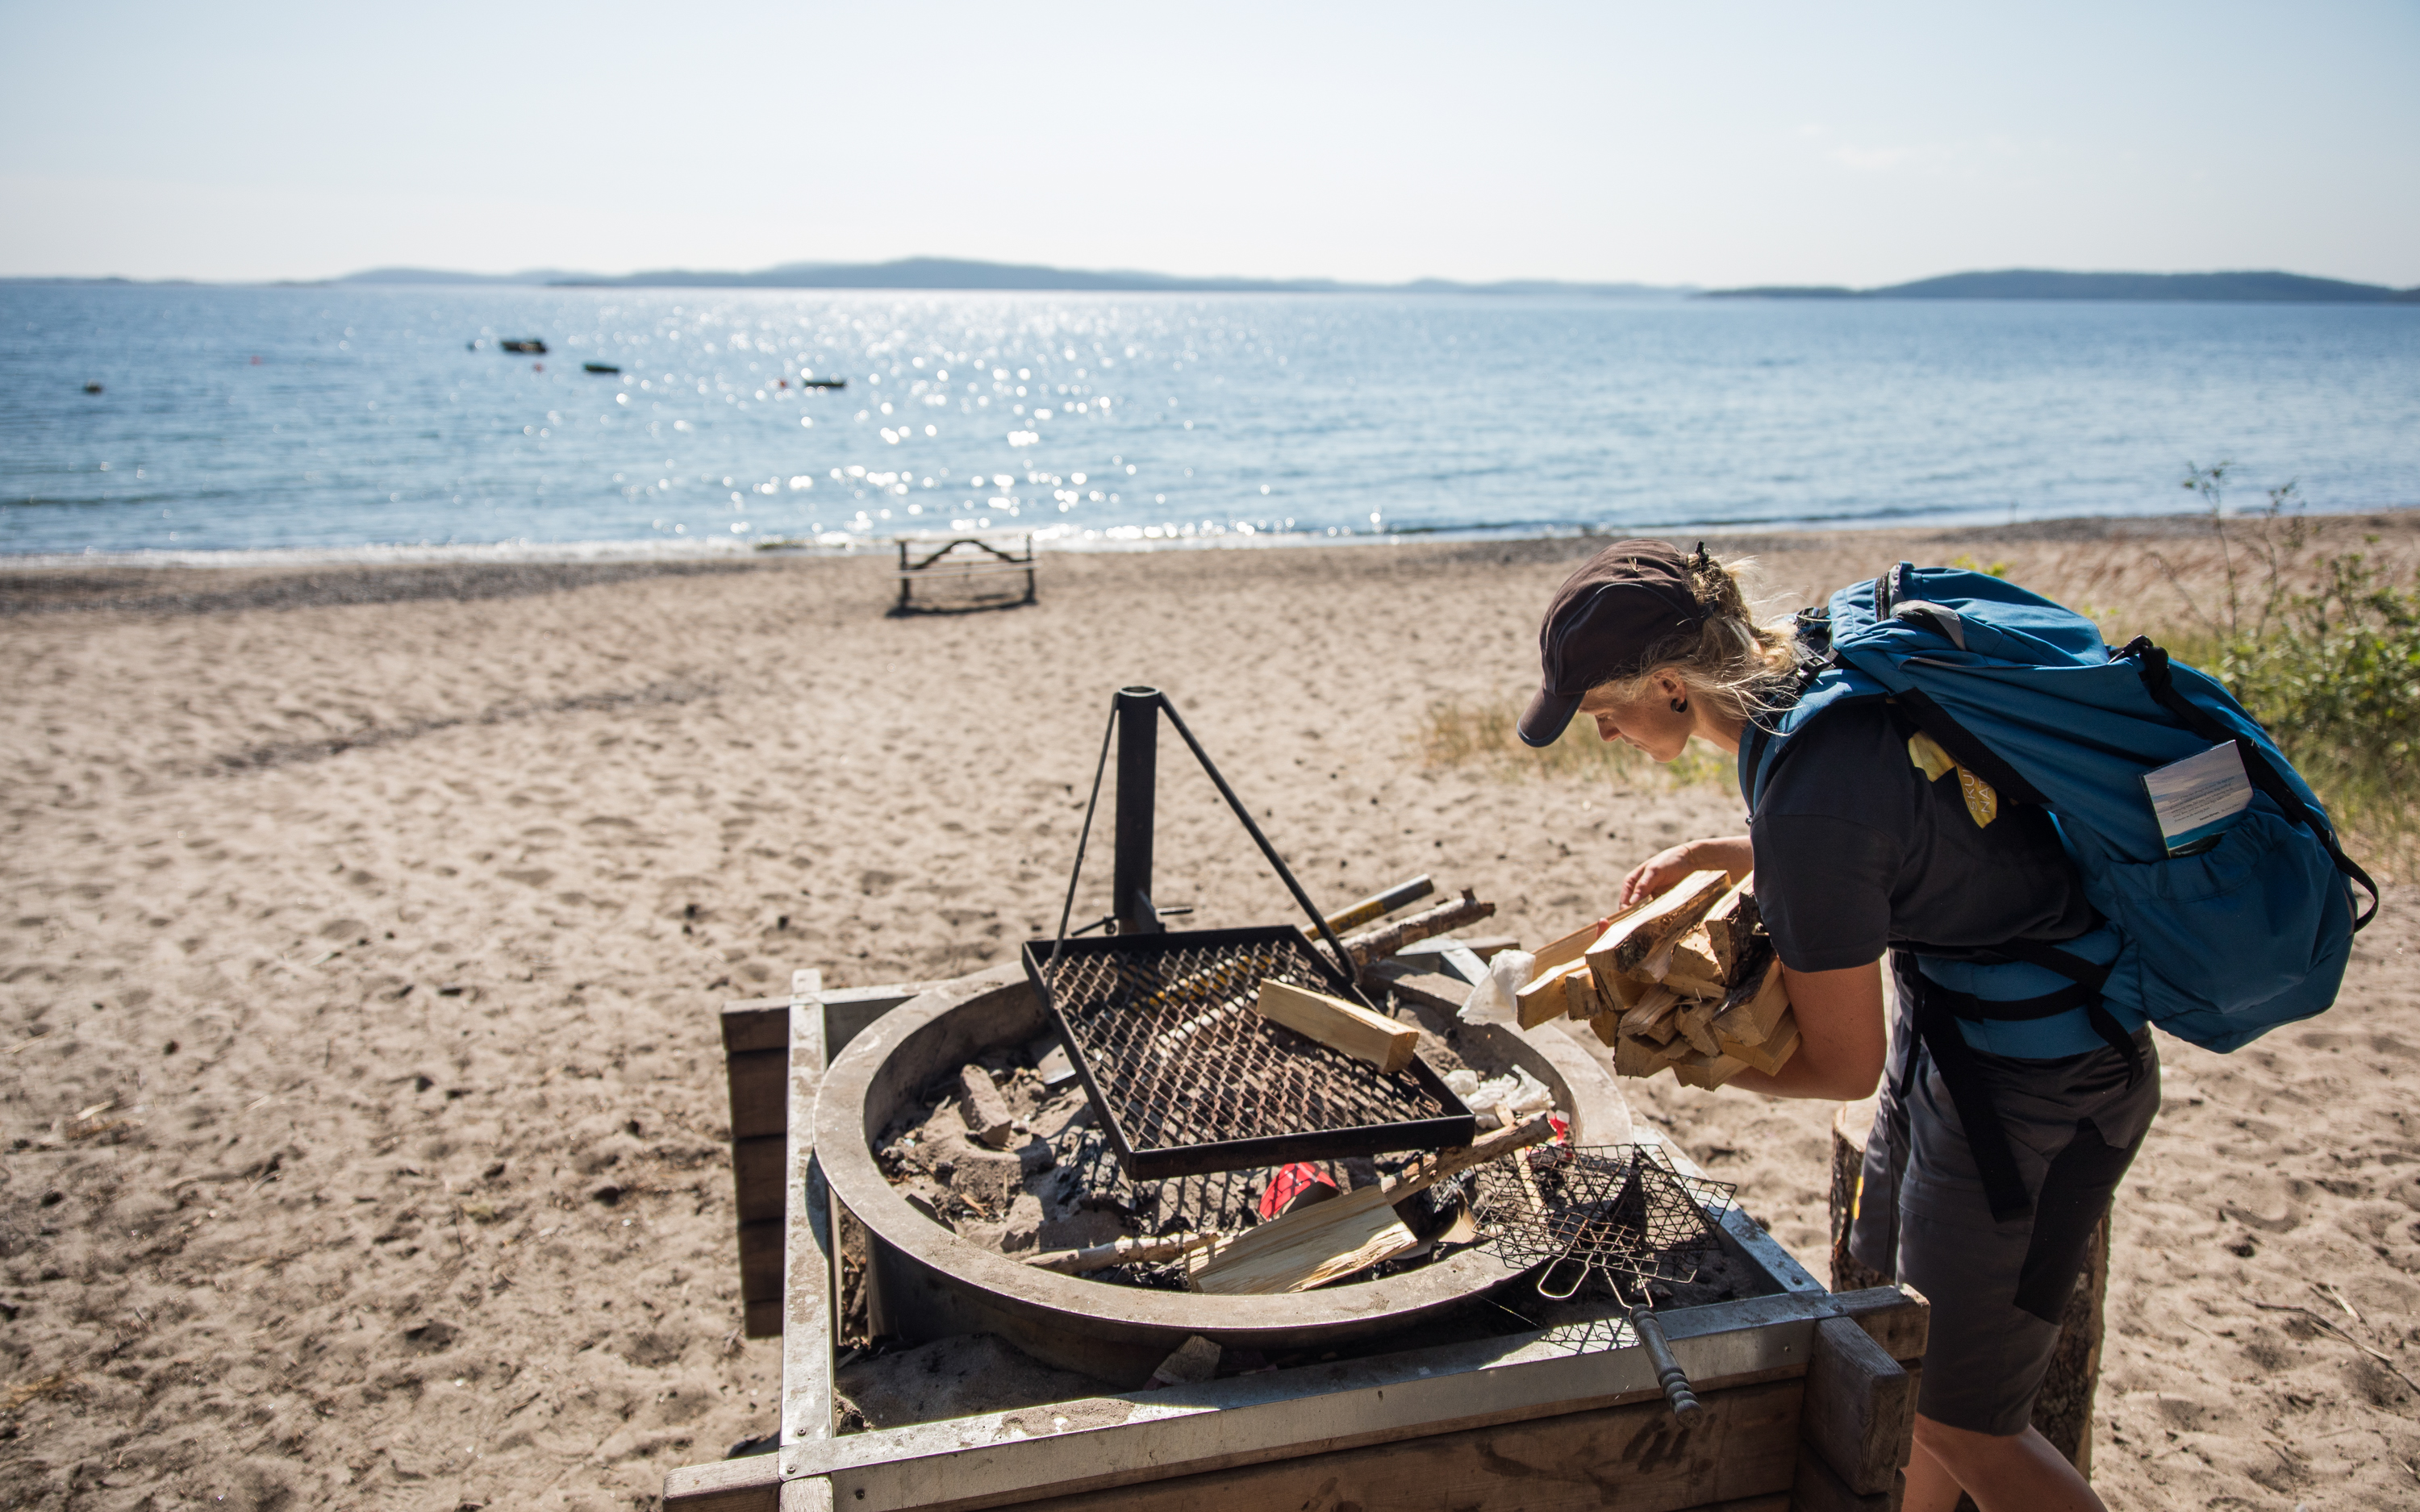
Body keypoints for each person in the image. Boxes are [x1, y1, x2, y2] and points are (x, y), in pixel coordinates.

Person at [1518, 539, 2152, 1512]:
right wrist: (1732, 849)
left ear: (1675, 685)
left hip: (2036, 1090)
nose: (1606, 735)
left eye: (1607, 712)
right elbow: (1903, 827)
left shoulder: (1810, 797)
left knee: (1964, 1425)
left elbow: (1842, 1065)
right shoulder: (1807, 675)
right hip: (1965, 1049)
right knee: (1916, 1362)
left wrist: (1683, 1060)